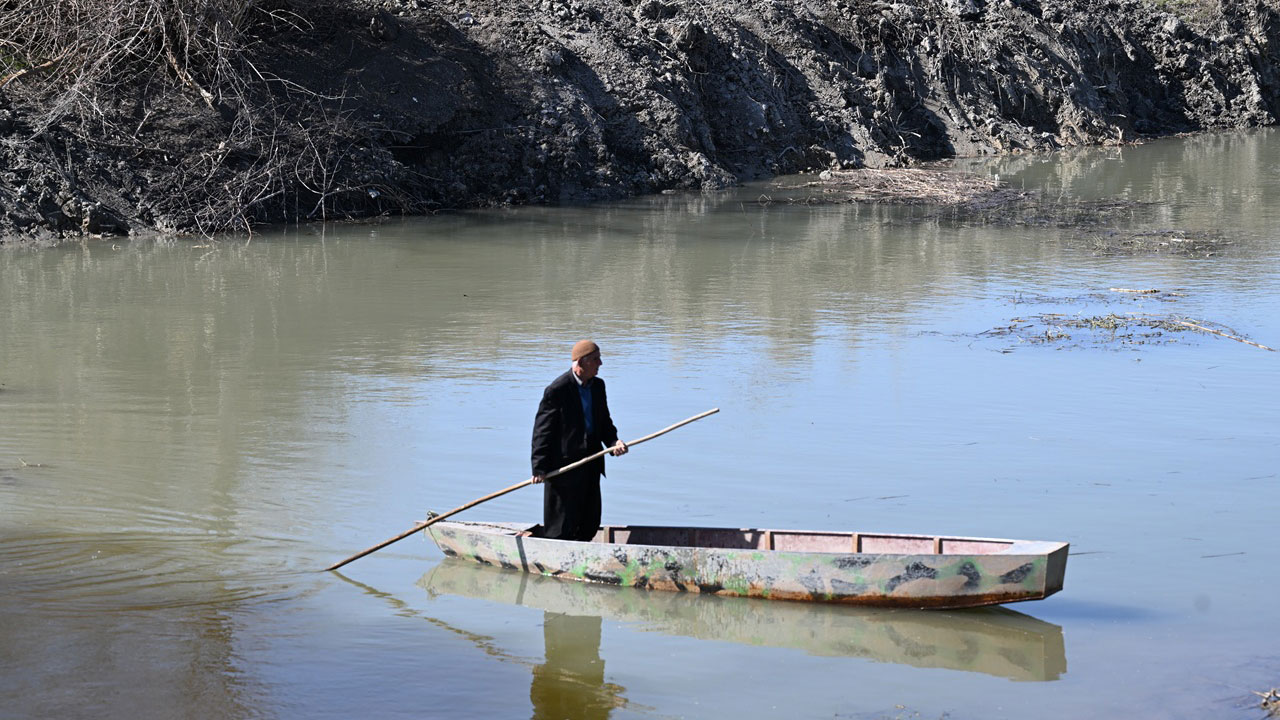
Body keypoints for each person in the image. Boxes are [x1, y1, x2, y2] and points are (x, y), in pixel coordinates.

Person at [531, 340, 627, 541]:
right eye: (595, 359)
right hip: (564, 465)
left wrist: (613, 443)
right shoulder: (557, 390)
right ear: (582, 362)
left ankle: (583, 548)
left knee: (589, 519)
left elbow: (604, 421)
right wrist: (539, 468)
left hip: (591, 459)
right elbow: (542, 431)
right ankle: (557, 551)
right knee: (561, 523)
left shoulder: (598, 386)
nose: (600, 363)